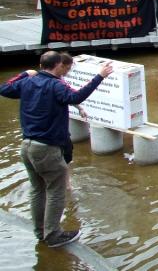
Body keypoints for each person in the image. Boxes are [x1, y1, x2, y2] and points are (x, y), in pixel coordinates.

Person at [0, 51, 113, 248]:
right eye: (65, 66)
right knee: (56, 192)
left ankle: (40, 232)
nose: (66, 70)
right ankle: (53, 235)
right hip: (47, 149)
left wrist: (24, 74)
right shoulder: (55, 85)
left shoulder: (27, 82)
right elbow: (77, 95)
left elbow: (4, 88)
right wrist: (100, 77)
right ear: (58, 65)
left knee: (37, 190)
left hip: (26, 146)